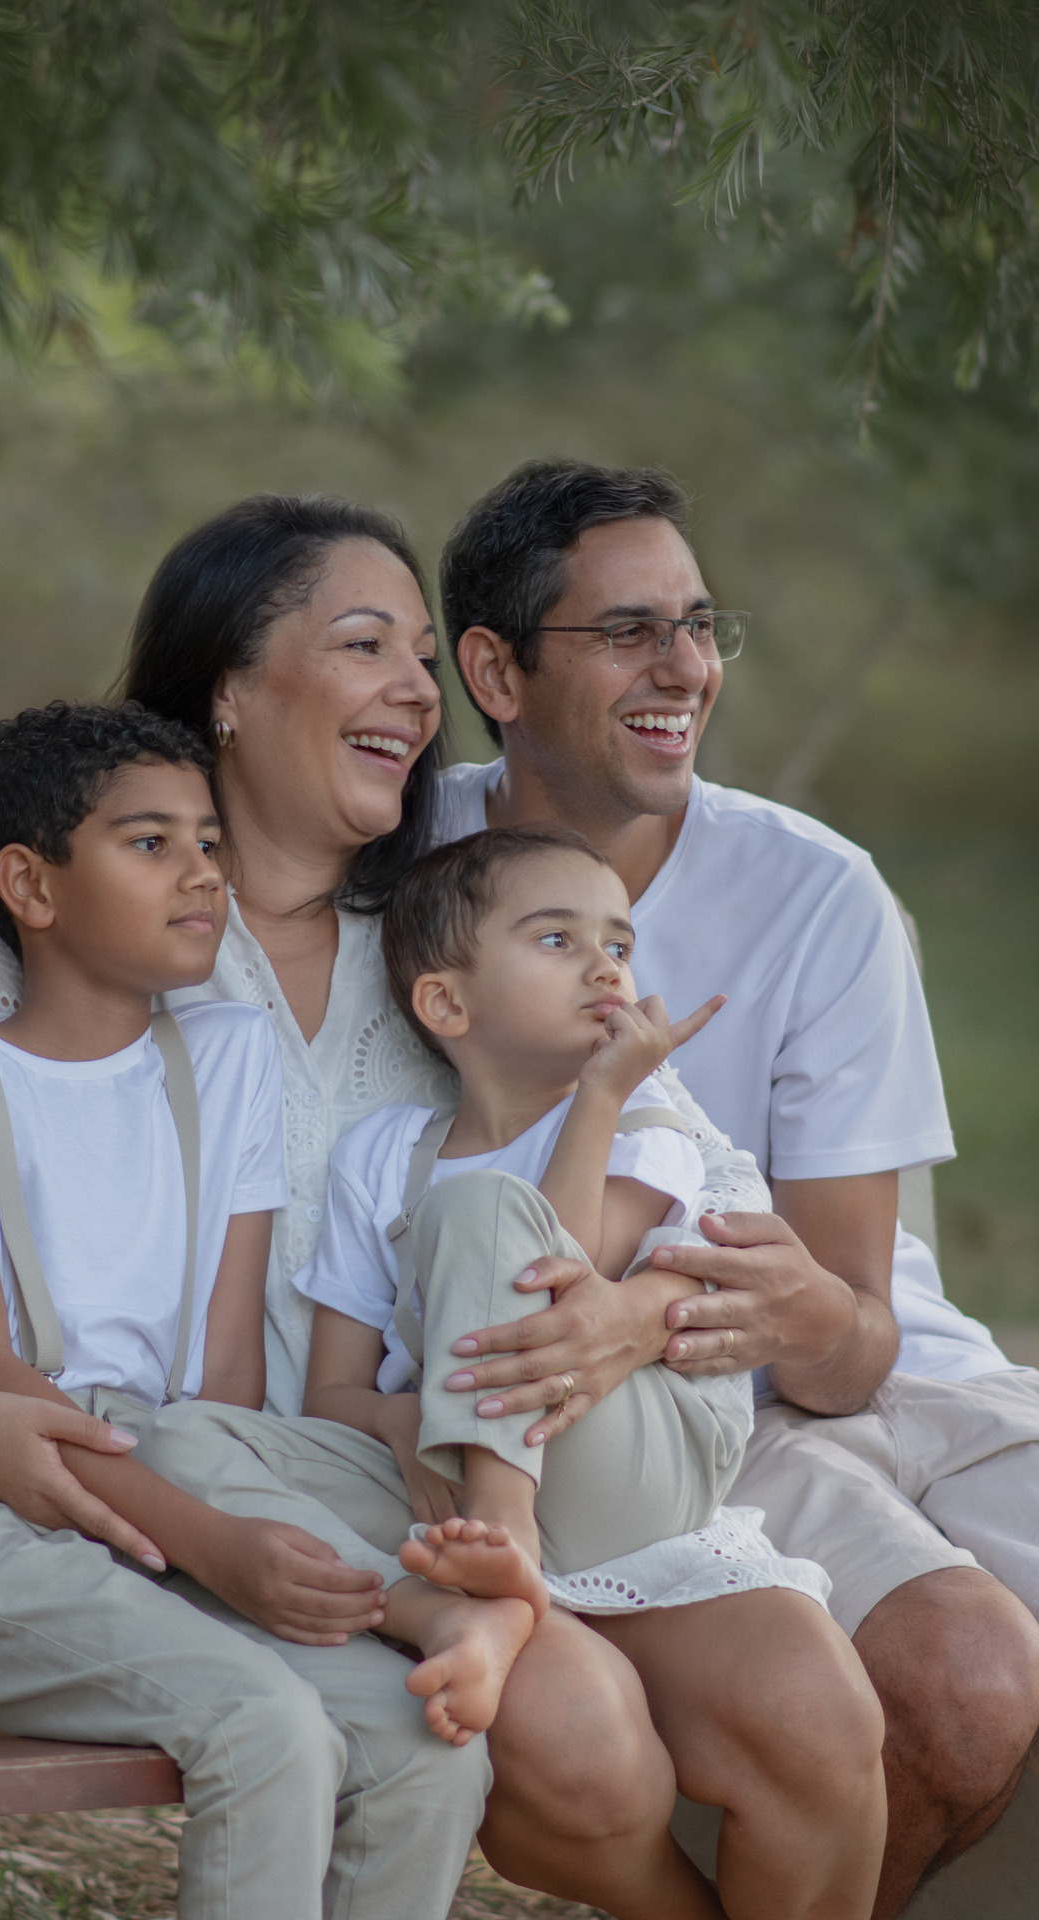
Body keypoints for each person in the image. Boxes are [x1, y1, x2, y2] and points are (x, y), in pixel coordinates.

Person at [0, 493, 887, 1920]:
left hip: (463, 1467)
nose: (416, 691)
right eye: (365, 646)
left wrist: (645, 1296)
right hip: (243, 1490)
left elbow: (687, 1154)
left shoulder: (435, 934)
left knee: (811, 1715)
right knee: (580, 1739)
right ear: (226, 692)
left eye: (422, 654)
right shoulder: (119, 936)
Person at [430, 458, 1039, 1917]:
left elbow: (854, 1339)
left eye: (700, 625)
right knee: (964, 1683)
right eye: (628, 631)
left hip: (888, 1375)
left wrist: (669, 1312)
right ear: (496, 672)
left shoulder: (815, 890)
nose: (685, 668)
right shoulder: (407, 869)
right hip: (701, 1421)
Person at [0, 696, 492, 1920]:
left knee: (421, 1750)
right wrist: (210, 1545)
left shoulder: (224, 1056)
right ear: (29, 886)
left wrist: (214, 1532)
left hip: (155, 1511)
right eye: (150, 843)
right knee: (262, 1726)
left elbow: (222, 1383)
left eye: (208, 842)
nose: (200, 873)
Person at [298, 823, 779, 1612]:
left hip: (623, 1462)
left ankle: (505, 1541)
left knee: (480, 1205)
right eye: (558, 939)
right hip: (438, 1465)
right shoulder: (382, 1155)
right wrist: (400, 1419)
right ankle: (477, 1559)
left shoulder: (639, 1122)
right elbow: (329, 1394)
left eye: (619, 947)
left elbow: (564, 1294)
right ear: (447, 1002)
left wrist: (602, 1092)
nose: (606, 968)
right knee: (193, 1444)